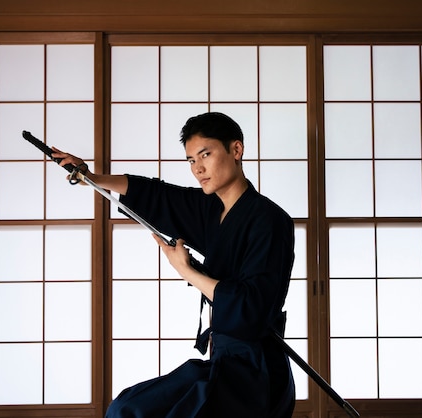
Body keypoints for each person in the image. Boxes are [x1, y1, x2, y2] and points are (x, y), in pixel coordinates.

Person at [52, 112, 296, 418]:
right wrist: (92, 177)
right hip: (222, 361)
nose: (198, 168)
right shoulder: (211, 209)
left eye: (205, 155)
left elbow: (251, 308)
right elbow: (158, 196)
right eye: (191, 160)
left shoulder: (270, 221)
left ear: (236, 150)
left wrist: (187, 272)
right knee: (126, 409)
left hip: (255, 373)